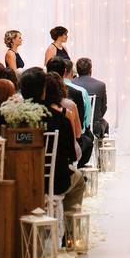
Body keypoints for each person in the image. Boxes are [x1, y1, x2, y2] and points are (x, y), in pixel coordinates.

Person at [43, 72, 86, 212]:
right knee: (79, 180)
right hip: (56, 179)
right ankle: (70, 222)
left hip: (32, 176)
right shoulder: (65, 114)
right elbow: (72, 154)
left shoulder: (28, 115)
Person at [75, 57, 109, 138]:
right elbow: (103, 108)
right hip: (95, 126)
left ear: (77, 70)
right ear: (90, 70)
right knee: (105, 124)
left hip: (76, 124)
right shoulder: (100, 85)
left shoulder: (72, 84)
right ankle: (101, 145)